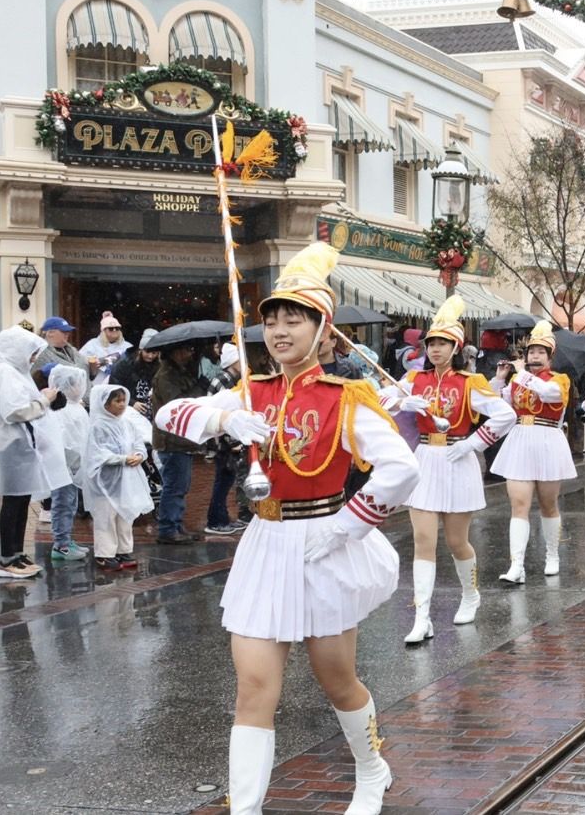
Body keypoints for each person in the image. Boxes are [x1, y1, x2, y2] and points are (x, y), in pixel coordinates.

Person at [154, 241, 416, 815]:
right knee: (253, 689)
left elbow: (402, 468)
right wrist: (224, 416)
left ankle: (372, 772)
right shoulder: (251, 389)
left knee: (337, 679)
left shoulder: (345, 398)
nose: (278, 331)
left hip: (325, 545)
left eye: (293, 320)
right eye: (271, 320)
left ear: (323, 331)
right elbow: (167, 415)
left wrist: (348, 525)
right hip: (266, 543)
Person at [393, 295, 515, 643]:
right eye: (431, 343)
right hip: (425, 460)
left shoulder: (469, 382)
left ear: (456, 346)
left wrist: (473, 443)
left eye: (442, 343)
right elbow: (376, 399)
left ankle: (471, 595)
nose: (434, 349)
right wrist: (403, 400)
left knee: (456, 541)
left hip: (458, 460)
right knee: (423, 540)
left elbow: (506, 415)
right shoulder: (413, 378)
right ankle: (421, 617)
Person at [491, 320, 574, 583]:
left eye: (540, 352)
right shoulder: (516, 380)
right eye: (531, 352)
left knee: (549, 504)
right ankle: (517, 565)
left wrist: (522, 375)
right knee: (519, 504)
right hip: (520, 440)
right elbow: (498, 408)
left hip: (548, 440)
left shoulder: (559, 380)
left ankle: (552, 554)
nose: (534, 356)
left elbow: (551, 396)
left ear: (550, 356)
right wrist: (500, 379)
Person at [0, 326, 59, 580]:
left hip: (22, 444)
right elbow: (14, 411)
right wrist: (44, 401)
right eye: (31, 352)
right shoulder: (5, 374)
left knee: (22, 499)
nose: (34, 357)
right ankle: (7, 557)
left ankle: (16, 552)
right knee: (13, 501)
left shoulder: (15, 372)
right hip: (11, 445)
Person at [83, 384, 149, 572]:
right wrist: (122, 459)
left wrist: (139, 455)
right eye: (116, 401)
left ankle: (123, 549)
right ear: (104, 403)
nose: (121, 405)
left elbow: (138, 442)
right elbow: (96, 454)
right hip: (105, 481)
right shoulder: (97, 427)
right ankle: (105, 554)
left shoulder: (126, 423)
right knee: (106, 517)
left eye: (123, 400)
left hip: (125, 480)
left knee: (124, 515)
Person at [149, 340, 208, 544]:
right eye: (184, 350)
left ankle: (175, 524)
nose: (188, 354)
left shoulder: (181, 372)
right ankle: (167, 528)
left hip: (181, 440)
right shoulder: (165, 376)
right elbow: (177, 404)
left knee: (180, 486)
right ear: (173, 353)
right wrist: (197, 391)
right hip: (170, 440)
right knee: (174, 486)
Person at [43, 364, 92, 561]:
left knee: (70, 504)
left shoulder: (75, 407)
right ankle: (61, 544)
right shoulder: (61, 409)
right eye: (74, 384)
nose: (79, 388)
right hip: (65, 467)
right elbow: (63, 440)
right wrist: (73, 463)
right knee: (62, 503)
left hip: (75, 466)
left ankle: (66, 539)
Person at [205, 343, 252, 536]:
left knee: (226, 480)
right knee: (223, 480)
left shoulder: (232, 379)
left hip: (225, 438)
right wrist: (233, 441)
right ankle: (216, 520)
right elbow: (225, 413)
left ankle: (222, 517)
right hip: (222, 440)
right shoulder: (224, 381)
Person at [110, 329, 161, 416]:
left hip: (150, 409)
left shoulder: (160, 366)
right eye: (147, 352)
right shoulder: (125, 363)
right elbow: (114, 386)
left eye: (154, 353)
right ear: (140, 350)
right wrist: (131, 402)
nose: (150, 356)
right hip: (127, 409)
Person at [32, 316, 95, 380]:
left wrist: (93, 367)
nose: (67, 334)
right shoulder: (41, 354)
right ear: (50, 333)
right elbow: (36, 380)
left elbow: (90, 375)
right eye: (64, 331)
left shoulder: (72, 350)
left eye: (68, 331)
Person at [80, 312, 130, 385]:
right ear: (103, 330)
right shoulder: (92, 344)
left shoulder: (127, 346)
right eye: (111, 328)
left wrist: (103, 361)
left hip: (119, 385)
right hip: (96, 385)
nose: (114, 330)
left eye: (117, 328)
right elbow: (81, 363)